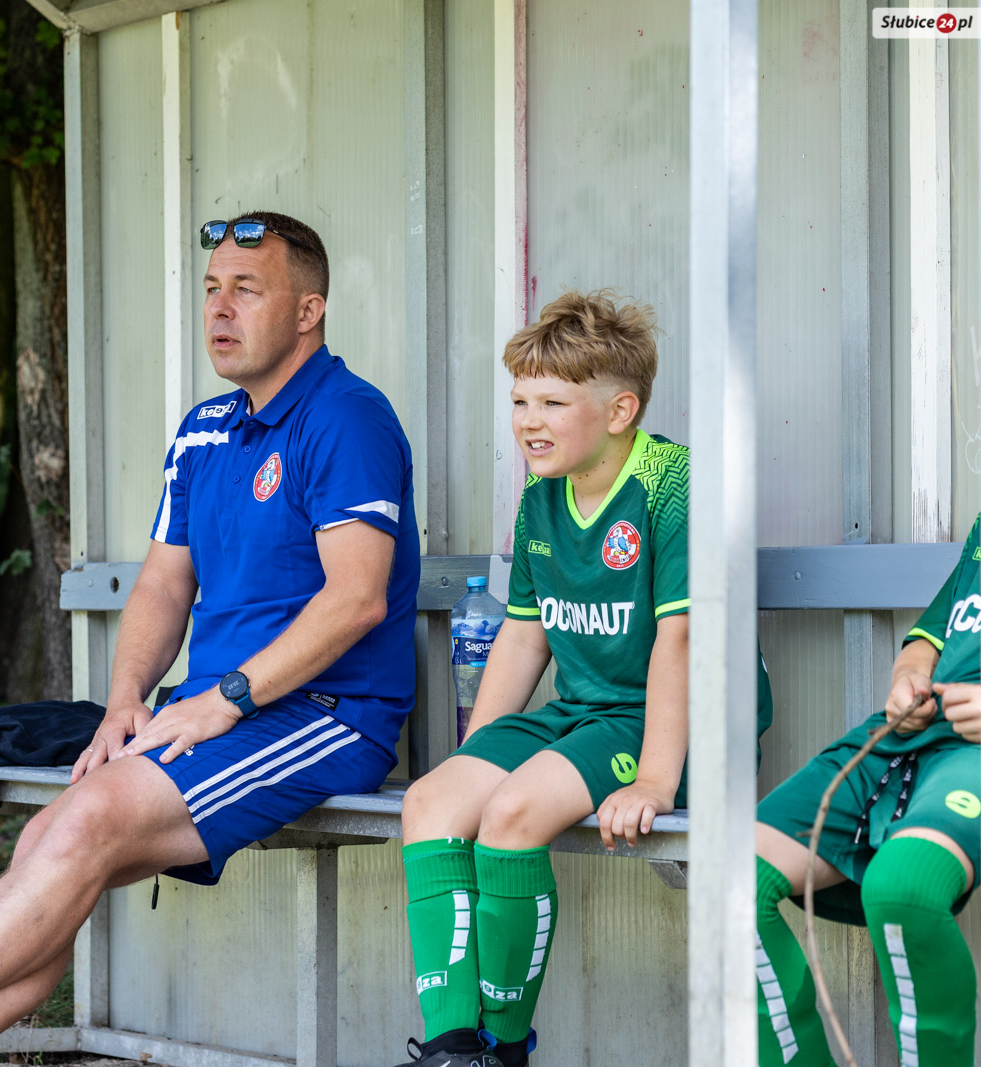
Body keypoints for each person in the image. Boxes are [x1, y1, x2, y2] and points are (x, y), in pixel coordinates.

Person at [0, 211, 421, 1067]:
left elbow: (356, 601)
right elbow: (164, 584)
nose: (220, 309)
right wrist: (126, 697)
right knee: (50, 847)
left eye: (247, 290)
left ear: (308, 310)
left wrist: (226, 697)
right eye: (212, 289)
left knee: (85, 825)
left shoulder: (347, 418)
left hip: (325, 714)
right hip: (215, 713)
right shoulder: (205, 429)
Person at [392, 290, 772, 1067]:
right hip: (584, 713)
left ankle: (503, 1049)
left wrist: (657, 779)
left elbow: (683, 640)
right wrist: (477, 752)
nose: (528, 421)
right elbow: (524, 635)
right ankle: (452, 1047)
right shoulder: (542, 494)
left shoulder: (676, 485)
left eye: (553, 403)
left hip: (676, 721)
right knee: (430, 800)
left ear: (620, 410)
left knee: (513, 812)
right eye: (519, 401)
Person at [752, 512, 981, 1067]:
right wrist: (907, 680)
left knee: (903, 887)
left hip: (972, 754)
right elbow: (928, 640)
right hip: (908, 734)